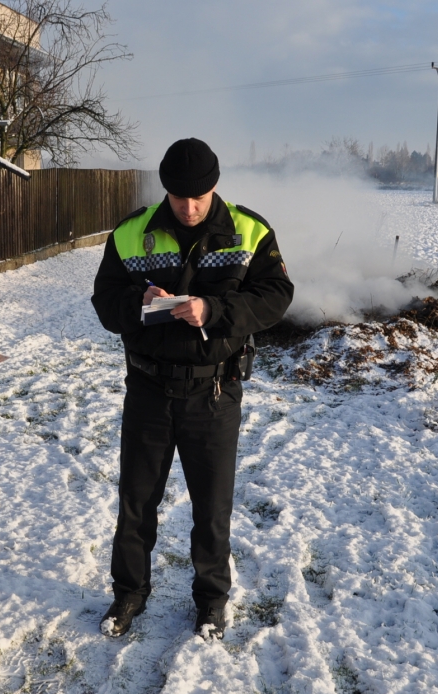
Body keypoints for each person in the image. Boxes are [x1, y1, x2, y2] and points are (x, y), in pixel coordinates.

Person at [91, 138, 294, 640]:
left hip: (214, 393)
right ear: (166, 191)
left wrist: (215, 311)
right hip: (148, 390)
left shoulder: (249, 230)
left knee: (212, 505)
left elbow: (276, 296)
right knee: (137, 502)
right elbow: (104, 303)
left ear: (215, 185)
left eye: (199, 196)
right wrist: (139, 300)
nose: (189, 207)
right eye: (179, 198)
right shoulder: (131, 233)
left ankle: (211, 600)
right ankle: (129, 594)